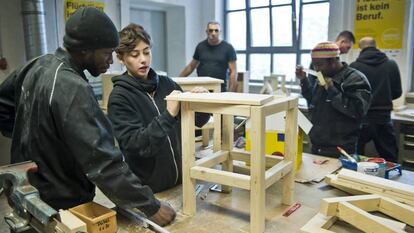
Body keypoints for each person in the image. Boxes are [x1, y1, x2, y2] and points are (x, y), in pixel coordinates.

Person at [0, 7, 175, 226]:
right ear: (84, 51)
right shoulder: (73, 88)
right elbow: (103, 163)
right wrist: (151, 206)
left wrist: (26, 136)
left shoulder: (36, 65)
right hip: (61, 203)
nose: (111, 61)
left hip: (25, 190)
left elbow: (2, 106)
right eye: (106, 53)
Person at [107, 23, 210, 193]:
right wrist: (168, 115)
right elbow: (139, 146)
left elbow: (198, 121)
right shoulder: (120, 98)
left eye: (147, 52)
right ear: (121, 58)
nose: (143, 59)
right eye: (135, 54)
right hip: (151, 191)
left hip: (182, 181)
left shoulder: (167, 84)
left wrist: (200, 103)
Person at [296, 42, 371, 157]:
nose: (317, 69)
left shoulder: (355, 79)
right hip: (318, 147)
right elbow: (313, 101)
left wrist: (331, 89)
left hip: (341, 150)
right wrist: (304, 80)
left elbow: (357, 111)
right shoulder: (322, 76)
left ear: (333, 61)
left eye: (319, 65)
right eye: (314, 65)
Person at [350, 37, 402, 162]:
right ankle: (390, 181)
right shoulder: (391, 64)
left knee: (355, 157)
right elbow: (397, 92)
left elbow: (349, 94)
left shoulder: (354, 66)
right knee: (390, 157)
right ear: (376, 46)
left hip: (361, 118)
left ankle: (356, 180)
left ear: (361, 48)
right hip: (383, 118)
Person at [179, 21, 237, 92]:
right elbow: (191, 66)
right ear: (207, 32)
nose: (213, 33)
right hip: (201, 89)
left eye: (216, 30)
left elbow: (233, 72)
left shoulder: (228, 48)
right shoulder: (200, 46)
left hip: (219, 89)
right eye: (211, 30)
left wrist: (230, 92)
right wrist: (178, 81)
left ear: (220, 32)